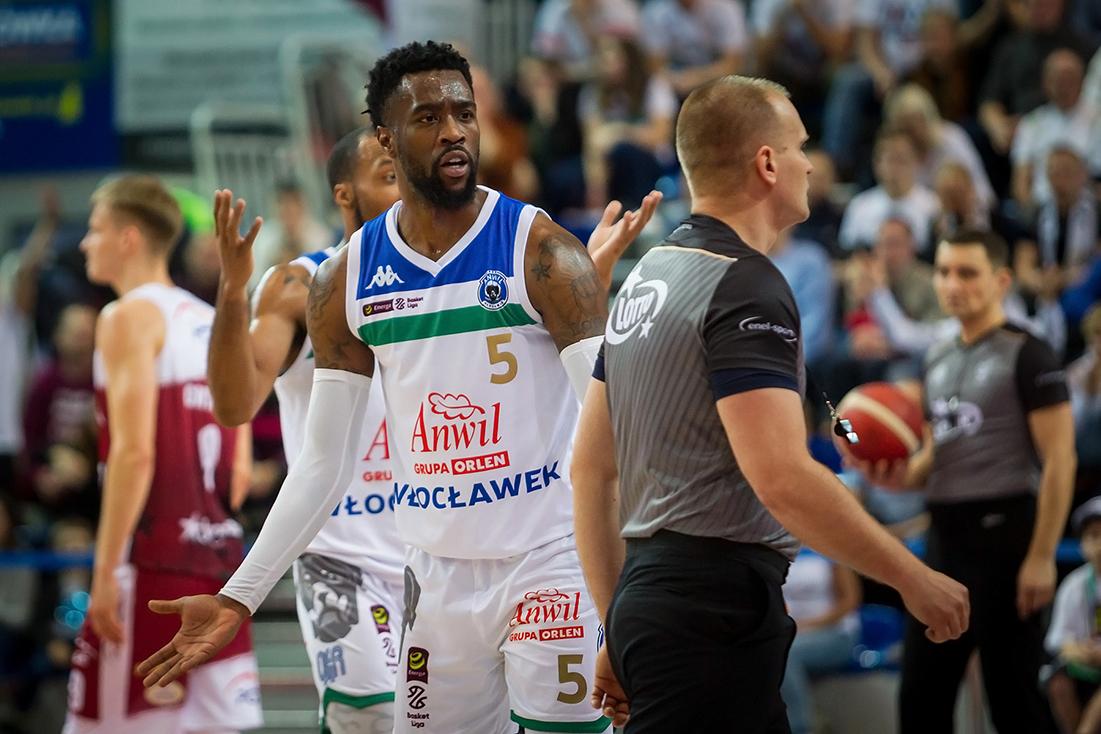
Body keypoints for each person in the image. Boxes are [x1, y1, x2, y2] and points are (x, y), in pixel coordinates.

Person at [138, 41, 661, 734]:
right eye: (428, 117)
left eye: (463, 113)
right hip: (434, 578)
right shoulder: (343, 279)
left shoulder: (542, 252)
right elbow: (324, 466)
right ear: (385, 138)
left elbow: (616, 433)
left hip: (549, 563)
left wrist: (627, 604)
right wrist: (239, 596)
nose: (453, 131)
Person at [570, 75, 969, 733]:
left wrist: (619, 622)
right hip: (712, 613)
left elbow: (589, 472)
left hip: (658, 602)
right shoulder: (745, 283)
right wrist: (911, 578)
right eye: (799, 147)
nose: (810, 164)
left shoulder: (647, 275)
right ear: (766, 163)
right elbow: (781, 477)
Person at [205, 127, 403, 732]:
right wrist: (233, 292)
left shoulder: (453, 282)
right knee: (370, 718)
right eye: (387, 175)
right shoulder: (298, 284)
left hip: (438, 550)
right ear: (345, 194)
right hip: (339, 555)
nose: (405, 185)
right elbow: (235, 404)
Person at [846, 228, 1076, 733]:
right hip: (945, 537)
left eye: (968, 273)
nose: (953, 284)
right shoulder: (937, 356)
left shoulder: (1029, 353)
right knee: (920, 700)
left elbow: (1061, 460)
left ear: (1001, 281)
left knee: (1015, 702)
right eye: (945, 272)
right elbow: (937, 456)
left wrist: (1041, 556)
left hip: (1006, 534)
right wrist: (895, 475)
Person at [65, 175, 261, 734]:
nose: (85, 242)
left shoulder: (126, 316)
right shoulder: (211, 317)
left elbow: (133, 454)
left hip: (151, 566)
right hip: (219, 567)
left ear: (128, 238)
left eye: (95, 229)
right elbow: (241, 471)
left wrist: (106, 570)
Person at [780, 551, 862, 734]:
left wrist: (808, 626)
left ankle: (799, 727)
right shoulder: (777, 547)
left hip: (835, 633)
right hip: (792, 632)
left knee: (787, 652)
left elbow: (850, 600)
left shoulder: (830, 548)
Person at [1045, 496, 1101, 734]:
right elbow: (1058, 643)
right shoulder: (1074, 585)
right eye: (1094, 535)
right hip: (1087, 667)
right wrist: (1082, 652)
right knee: (1056, 678)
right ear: (1082, 544)